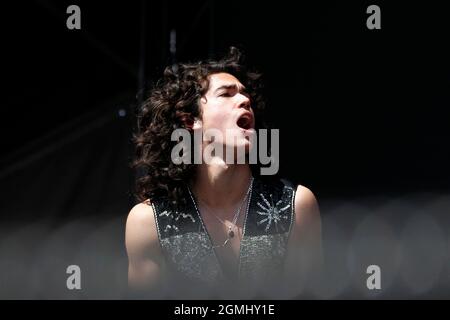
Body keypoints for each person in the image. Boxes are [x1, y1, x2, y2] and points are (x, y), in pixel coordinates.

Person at [125, 47, 322, 299]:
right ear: (190, 121)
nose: (245, 100)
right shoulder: (147, 223)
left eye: (245, 94)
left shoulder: (295, 206)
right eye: (226, 94)